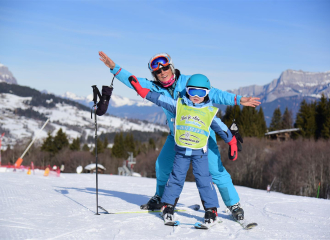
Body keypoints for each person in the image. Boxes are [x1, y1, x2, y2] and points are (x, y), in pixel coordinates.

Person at [99, 51, 261, 220]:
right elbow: (133, 81)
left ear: (171, 67)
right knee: (162, 165)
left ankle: (233, 204)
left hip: (202, 135)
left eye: (165, 68)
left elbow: (215, 94)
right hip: (177, 135)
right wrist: (114, 68)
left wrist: (238, 99)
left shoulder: (188, 82)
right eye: (158, 71)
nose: (162, 72)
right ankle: (160, 198)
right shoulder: (154, 87)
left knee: (215, 170)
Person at [129, 73, 239, 227]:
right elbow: (160, 99)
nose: (196, 96)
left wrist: (232, 143)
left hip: (200, 153)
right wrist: (142, 91)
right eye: (192, 91)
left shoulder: (209, 112)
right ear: (186, 90)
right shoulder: (179, 105)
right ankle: (168, 206)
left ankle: (211, 210)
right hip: (181, 152)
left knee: (204, 180)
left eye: (201, 92)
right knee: (175, 179)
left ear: (207, 93)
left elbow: (222, 129)